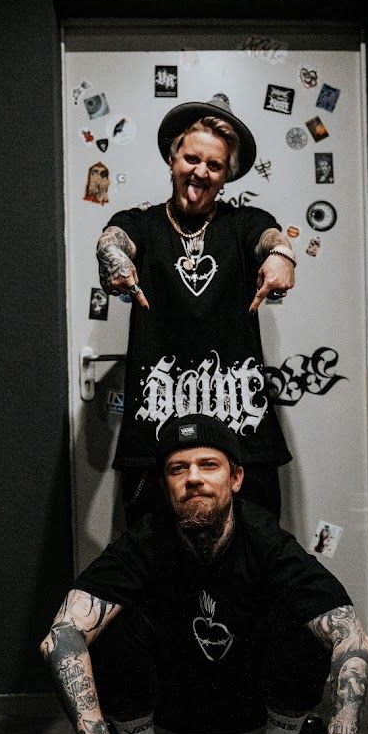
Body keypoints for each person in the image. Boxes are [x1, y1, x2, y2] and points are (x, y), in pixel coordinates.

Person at [40, 414, 368, 734]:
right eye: (178, 469)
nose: (193, 478)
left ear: (236, 477)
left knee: (306, 622)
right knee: (105, 626)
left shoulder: (266, 542)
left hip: (251, 699)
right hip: (172, 703)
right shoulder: (145, 541)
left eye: (208, 465)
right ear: (165, 484)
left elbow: (354, 640)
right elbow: (60, 636)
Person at [96, 94, 297, 523]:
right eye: (191, 158)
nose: (200, 172)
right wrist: (113, 258)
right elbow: (114, 237)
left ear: (226, 176)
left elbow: (270, 238)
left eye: (214, 165)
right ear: (172, 160)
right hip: (155, 436)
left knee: (257, 559)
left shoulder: (244, 223)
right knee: (152, 566)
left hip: (242, 431)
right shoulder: (143, 224)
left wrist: (282, 255)